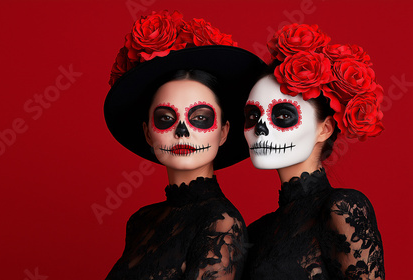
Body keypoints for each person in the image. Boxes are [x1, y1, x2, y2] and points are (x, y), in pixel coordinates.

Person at [103, 11, 265, 279]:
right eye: (166, 118)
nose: (181, 131)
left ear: (224, 132)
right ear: (147, 133)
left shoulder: (221, 223)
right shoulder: (141, 221)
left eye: (200, 118)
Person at [242, 23, 385, 279]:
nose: (260, 129)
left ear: (325, 128)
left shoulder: (342, 208)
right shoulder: (255, 232)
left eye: (283, 115)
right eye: (253, 115)